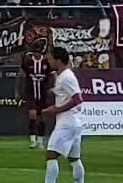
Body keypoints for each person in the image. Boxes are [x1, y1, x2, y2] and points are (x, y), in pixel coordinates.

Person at [42, 43, 85, 183]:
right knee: (74, 158)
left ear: (58, 60)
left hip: (67, 121)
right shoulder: (63, 76)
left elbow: (78, 98)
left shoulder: (66, 77)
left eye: (50, 59)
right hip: (73, 121)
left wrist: (57, 110)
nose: (48, 62)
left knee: (51, 154)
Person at [18, 36, 51, 151]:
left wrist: (53, 89)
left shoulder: (46, 62)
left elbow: (52, 76)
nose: (36, 54)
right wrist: (17, 92)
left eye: (38, 52)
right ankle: (32, 140)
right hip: (31, 93)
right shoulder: (28, 62)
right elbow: (21, 76)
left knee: (42, 118)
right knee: (32, 115)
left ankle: (40, 141)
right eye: (35, 52)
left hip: (43, 94)